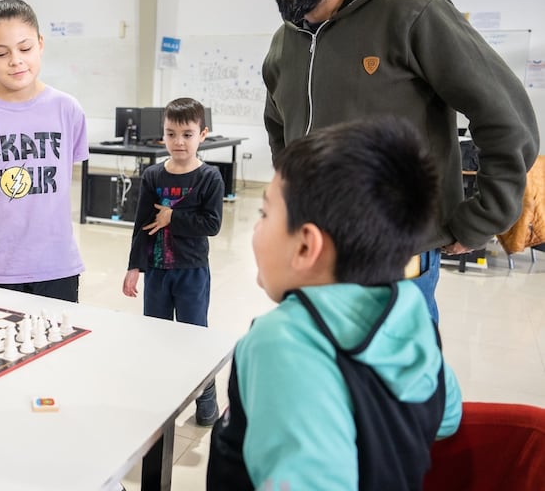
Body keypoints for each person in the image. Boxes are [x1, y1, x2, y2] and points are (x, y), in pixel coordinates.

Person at [258, 0, 539, 323]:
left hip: (395, 265)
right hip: (312, 257)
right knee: (324, 383)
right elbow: (280, 133)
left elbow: (507, 118)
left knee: (397, 389)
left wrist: (483, 217)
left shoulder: (411, 13)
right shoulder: (285, 44)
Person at [206, 117, 462, 490]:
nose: (256, 226)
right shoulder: (412, 315)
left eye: (264, 214)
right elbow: (449, 416)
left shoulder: (284, 342)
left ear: (307, 247)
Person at [0, 0, 88, 302]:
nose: (15, 60)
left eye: (25, 49)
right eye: (1, 53)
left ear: (40, 44)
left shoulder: (68, 109)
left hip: (55, 264)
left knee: (58, 348)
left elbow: (64, 177)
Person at [122, 97, 224, 426]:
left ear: (202, 134)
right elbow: (141, 226)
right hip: (157, 273)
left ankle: (206, 397)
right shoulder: (153, 175)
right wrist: (134, 267)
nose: (178, 142)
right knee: (156, 336)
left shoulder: (209, 178)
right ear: (162, 135)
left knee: (195, 337)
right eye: (171, 134)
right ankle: (160, 397)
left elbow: (212, 224)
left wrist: (172, 218)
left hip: (192, 271)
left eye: (187, 134)